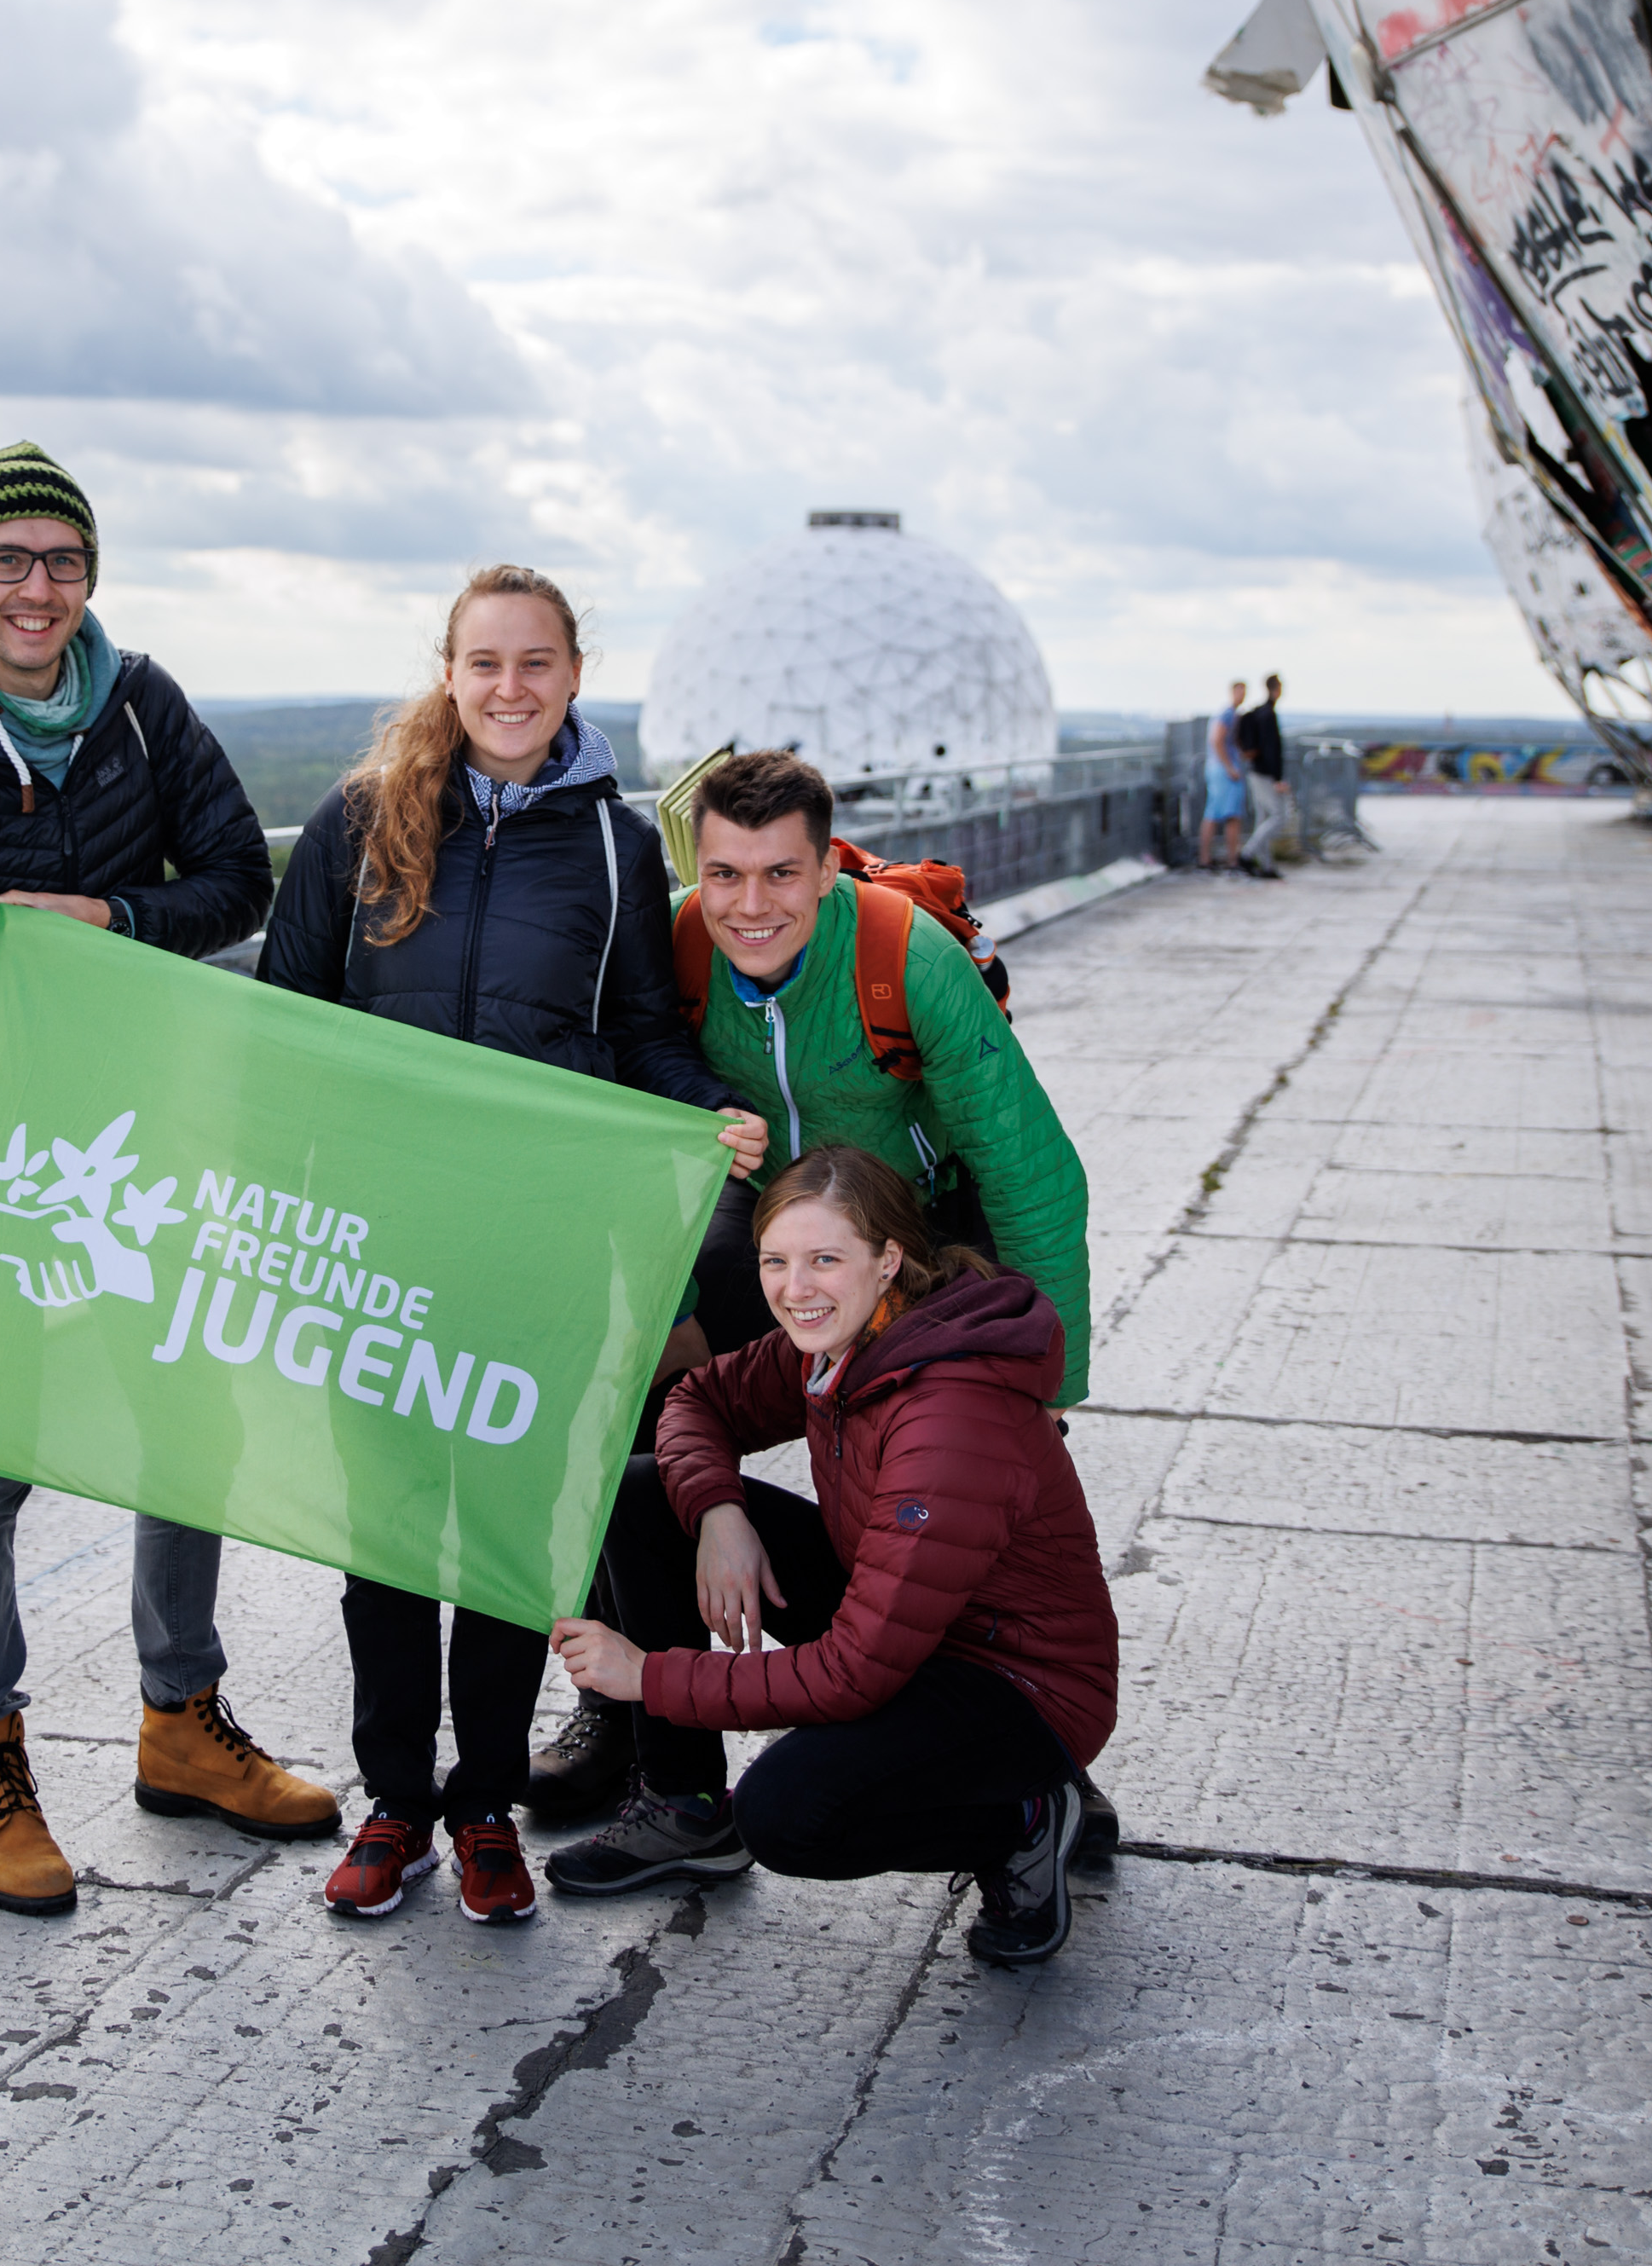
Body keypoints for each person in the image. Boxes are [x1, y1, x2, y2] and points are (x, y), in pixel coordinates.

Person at [0, 442, 340, 1922]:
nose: (38, 591)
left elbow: (240, 877)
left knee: (186, 1422)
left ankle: (181, 1723)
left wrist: (109, 912)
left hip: (147, 1137)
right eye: (7, 561)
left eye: (63, 561)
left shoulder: (140, 710)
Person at [258, 563, 765, 1925]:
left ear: (575, 677)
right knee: (387, 1536)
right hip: (381, 1244)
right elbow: (282, 1021)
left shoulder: (611, 848)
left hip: (534, 1250)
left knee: (497, 1537)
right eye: (485, 663)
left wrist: (700, 1109)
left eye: (536, 663)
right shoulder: (361, 824)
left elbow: (641, 1029)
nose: (509, 689)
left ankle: (483, 1805)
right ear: (448, 670)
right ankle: (392, 1804)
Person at [523, 747, 1093, 1822]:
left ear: (827, 867)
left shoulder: (904, 957)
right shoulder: (682, 939)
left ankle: (1030, 1748)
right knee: (626, 1428)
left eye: (782, 874)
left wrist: (1048, 1378)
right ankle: (637, 1731)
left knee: (957, 1493)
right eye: (727, 874)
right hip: (770, 1225)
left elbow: (1031, 1171)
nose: (751, 905)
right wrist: (680, 1313)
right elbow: (632, 1120)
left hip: (915, 1231)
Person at [543, 1145, 1118, 1967]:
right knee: (643, 1498)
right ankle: (689, 1808)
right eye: (776, 1261)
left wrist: (647, 1676)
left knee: (790, 1813)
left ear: (889, 1261)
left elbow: (852, 1676)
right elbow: (698, 1398)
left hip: (1017, 1685)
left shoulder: (949, 1416)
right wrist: (717, 1512)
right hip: (904, 1618)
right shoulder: (846, 1341)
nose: (795, 1288)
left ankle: (1020, 1824)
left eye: (824, 1260)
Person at [1237, 672, 1289, 881]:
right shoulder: (1268, 715)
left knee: (1263, 819)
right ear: (1276, 688)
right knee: (1279, 815)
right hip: (1264, 774)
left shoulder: (1260, 712)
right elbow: (1271, 750)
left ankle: (1266, 866)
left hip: (1255, 771)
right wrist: (1277, 779)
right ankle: (1247, 855)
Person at [1199, 680, 1249, 873]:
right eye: (1240, 692)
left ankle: (1209, 859)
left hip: (1220, 768)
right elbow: (1216, 740)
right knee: (1228, 815)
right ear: (1233, 692)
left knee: (1216, 814)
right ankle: (1230, 860)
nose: (1242, 696)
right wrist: (1229, 767)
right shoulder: (1227, 714)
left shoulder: (1231, 713)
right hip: (1224, 770)